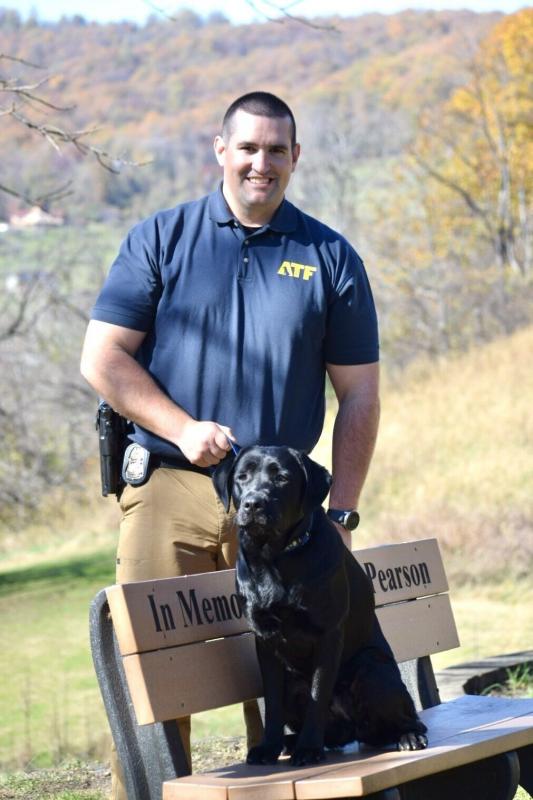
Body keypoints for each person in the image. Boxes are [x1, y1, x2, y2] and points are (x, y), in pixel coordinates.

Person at [80, 91, 380, 798]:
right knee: (154, 678)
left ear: (295, 158)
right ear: (220, 150)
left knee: (276, 680)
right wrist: (182, 427)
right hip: (172, 487)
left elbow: (359, 393)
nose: (261, 163)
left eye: (276, 150)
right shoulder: (162, 238)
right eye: (247, 147)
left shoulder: (328, 255)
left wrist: (339, 511)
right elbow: (103, 358)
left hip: (286, 511)